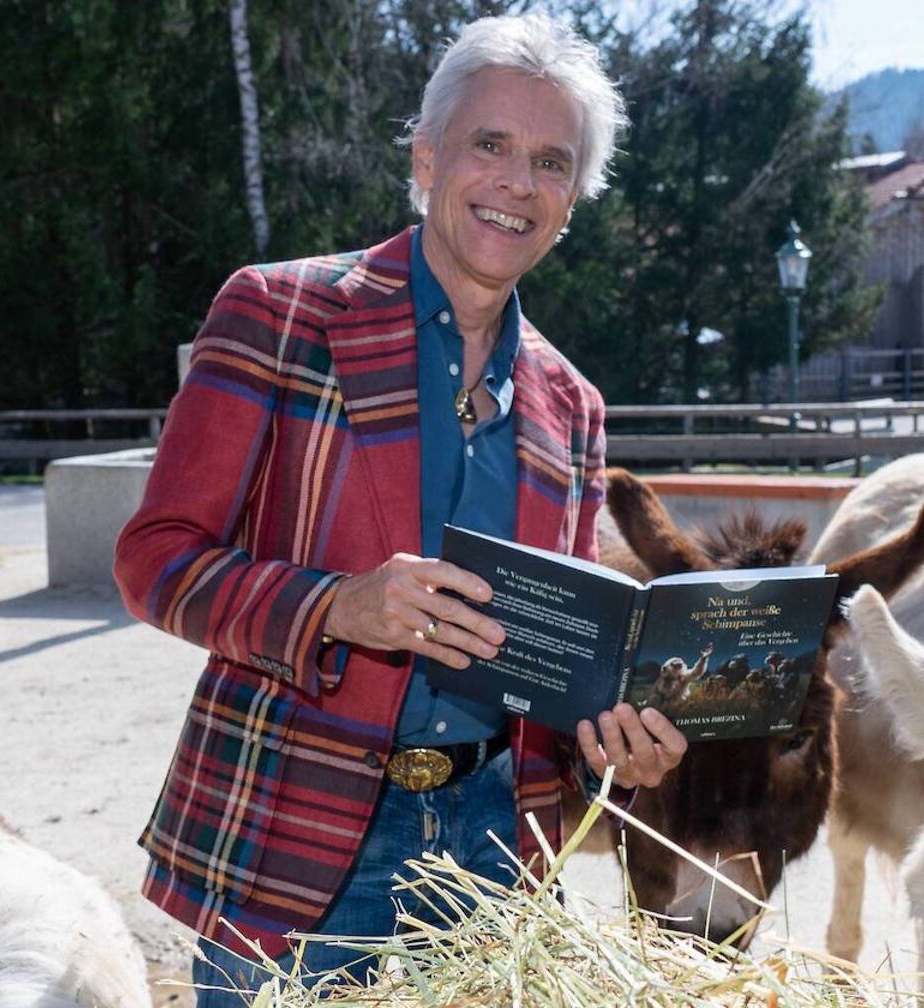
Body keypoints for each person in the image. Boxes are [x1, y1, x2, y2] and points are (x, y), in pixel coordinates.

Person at [112, 13, 687, 1001]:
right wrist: (337, 607)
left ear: (573, 202)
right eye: (491, 145)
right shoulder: (278, 313)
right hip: (294, 839)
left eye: (552, 162)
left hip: (495, 855)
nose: (517, 182)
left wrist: (612, 747)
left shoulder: (574, 406)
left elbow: (553, 661)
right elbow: (156, 560)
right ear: (427, 158)